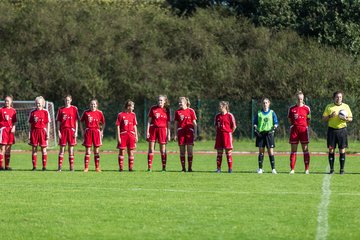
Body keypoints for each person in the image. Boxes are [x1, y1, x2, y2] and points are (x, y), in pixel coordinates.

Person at [322, 91, 353, 174]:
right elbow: (324, 118)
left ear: (342, 98)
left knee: (342, 150)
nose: (339, 98)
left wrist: (345, 119)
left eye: (340, 97)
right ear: (334, 98)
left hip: (342, 130)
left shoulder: (346, 106)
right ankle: (331, 169)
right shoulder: (329, 107)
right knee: (331, 149)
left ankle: (342, 170)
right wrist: (330, 116)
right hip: (332, 130)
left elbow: (351, 118)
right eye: (337, 97)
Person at [287, 91, 311, 174]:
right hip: (294, 131)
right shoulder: (291, 108)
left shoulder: (307, 108)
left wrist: (304, 126)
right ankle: (292, 169)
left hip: (303, 130)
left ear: (303, 99)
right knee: (293, 150)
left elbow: (309, 119)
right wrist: (294, 125)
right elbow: (289, 120)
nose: (300, 100)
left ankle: (307, 169)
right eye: (298, 99)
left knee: (305, 149)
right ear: (296, 99)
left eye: (301, 99)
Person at [253, 98, 279, 174]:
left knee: (270, 152)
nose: (265, 104)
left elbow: (276, 122)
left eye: (266, 103)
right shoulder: (259, 113)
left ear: (269, 103)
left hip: (269, 134)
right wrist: (255, 129)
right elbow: (255, 123)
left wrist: (274, 128)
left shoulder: (272, 112)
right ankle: (260, 168)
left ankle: (273, 169)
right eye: (264, 103)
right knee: (261, 152)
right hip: (261, 134)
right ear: (262, 104)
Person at [56, 95, 80, 172]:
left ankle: (71, 167)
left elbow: (76, 121)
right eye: (66, 100)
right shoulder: (61, 109)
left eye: (68, 100)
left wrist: (76, 131)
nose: (67, 101)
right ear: (64, 100)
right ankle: (60, 167)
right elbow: (58, 122)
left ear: (71, 100)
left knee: (71, 149)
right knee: (62, 149)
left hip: (71, 131)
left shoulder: (74, 109)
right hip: (63, 131)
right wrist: (58, 131)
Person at [146, 95, 171, 172]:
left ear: (164, 101)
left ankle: (164, 168)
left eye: (161, 100)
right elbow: (149, 121)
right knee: (151, 149)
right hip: (153, 129)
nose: (159, 102)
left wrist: (169, 134)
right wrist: (147, 132)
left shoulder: (167, 110)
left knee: (163, 150)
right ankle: (149, 168)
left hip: (163, 130)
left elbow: (168, 123)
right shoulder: (153, 108)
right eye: (158, 100)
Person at [81, 99, 105, 172]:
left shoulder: (99, 113)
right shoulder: (86, 112)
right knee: (88, 151)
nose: (93, 105)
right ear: (89, 105)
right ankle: (86, 167)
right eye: (91, 104)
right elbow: (81, 122)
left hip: (96, 132)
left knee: (96, 151)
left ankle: (97, 167)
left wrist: (102, 131)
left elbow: (103, 123)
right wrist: (82, 131)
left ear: (97, 105)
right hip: (88, 132)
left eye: (94, 104)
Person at [174, 97, 197, 172]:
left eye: (181, 102)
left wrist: (195, 133)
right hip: (181, 132)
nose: (179, 104)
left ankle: (190, 168)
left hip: (189, 132)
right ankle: (183, 168)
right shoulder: (177, 112)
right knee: (182, 151)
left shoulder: (191, 111)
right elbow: (175, 124)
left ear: (185, 103)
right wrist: (175, 134)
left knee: (190, 151)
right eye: (179, 102)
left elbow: (194, 123)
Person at [28, 96, 50, 171]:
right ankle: (34, 167)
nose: (38, 105)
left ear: (43, 104)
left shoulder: (45, 112)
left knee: (44, 149)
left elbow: (48, 124)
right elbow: (30, 125)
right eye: (37, 103)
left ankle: (44, 167)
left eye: (40, 103)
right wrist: (29, 134)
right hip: (34, 132)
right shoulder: (32, 112)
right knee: (34, 149)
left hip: (42, 132)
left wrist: (47, 133)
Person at [116, 100, 138, 172]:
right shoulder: (120, 115)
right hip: (123, 135)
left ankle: (130, 168)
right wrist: (118, 136)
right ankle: (121, 168)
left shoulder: (133, 115)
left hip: (131, 135)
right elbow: (118, 126)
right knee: (122, 151)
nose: (133, 108)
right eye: (132, 106)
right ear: (128, 106)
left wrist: (136, 135)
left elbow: (134, 126)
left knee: (131, 151)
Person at [214, 101, 236, 173]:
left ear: (224, 107)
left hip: (227, 135)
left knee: (228, 152)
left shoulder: (230, 115)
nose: (219, 108)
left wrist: (229, 132)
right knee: (219, 152)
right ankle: (218, 169)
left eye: (220, 106)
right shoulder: (217, 116)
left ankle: (230, 169)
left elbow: (234, 126)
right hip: (219, 135)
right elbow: (216, 126)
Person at [0, 96, 17, 170]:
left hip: (10, 131)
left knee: (8, 149)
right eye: (5, 101)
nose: (6, 102)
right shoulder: (1, 110)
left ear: (11, 102)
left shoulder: (13, 110)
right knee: (2, 149)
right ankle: (0, 166)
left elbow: (14, 122)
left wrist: (13, 128)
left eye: (8, 101)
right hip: (3, 130)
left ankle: (7, 166)